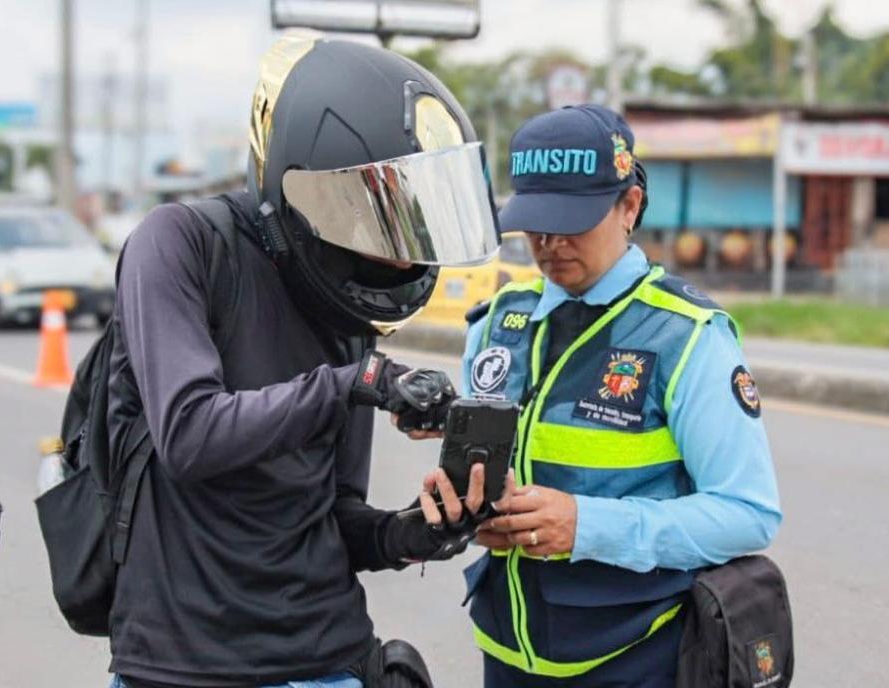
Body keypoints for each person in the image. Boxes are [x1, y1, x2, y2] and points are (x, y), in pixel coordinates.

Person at [106, 35, 501, 688]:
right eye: (380, 208)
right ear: (304, 184)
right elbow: (188, 434)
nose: (404, 249)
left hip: (330, 659)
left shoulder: (343, 296)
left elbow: (333, 521)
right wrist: (358, 383)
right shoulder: (181, 245)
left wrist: (417, 531)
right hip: (185, 665)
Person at [459, 104, 783, 687]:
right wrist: (461, 511)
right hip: (505, 653)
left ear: (629, 206)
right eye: (536, 224)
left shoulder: (687, 337)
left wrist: (586, 525)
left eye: (571, 222)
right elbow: (479, 471)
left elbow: (749, 513)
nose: (550, 244)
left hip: (636, 658)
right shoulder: (497, 325)